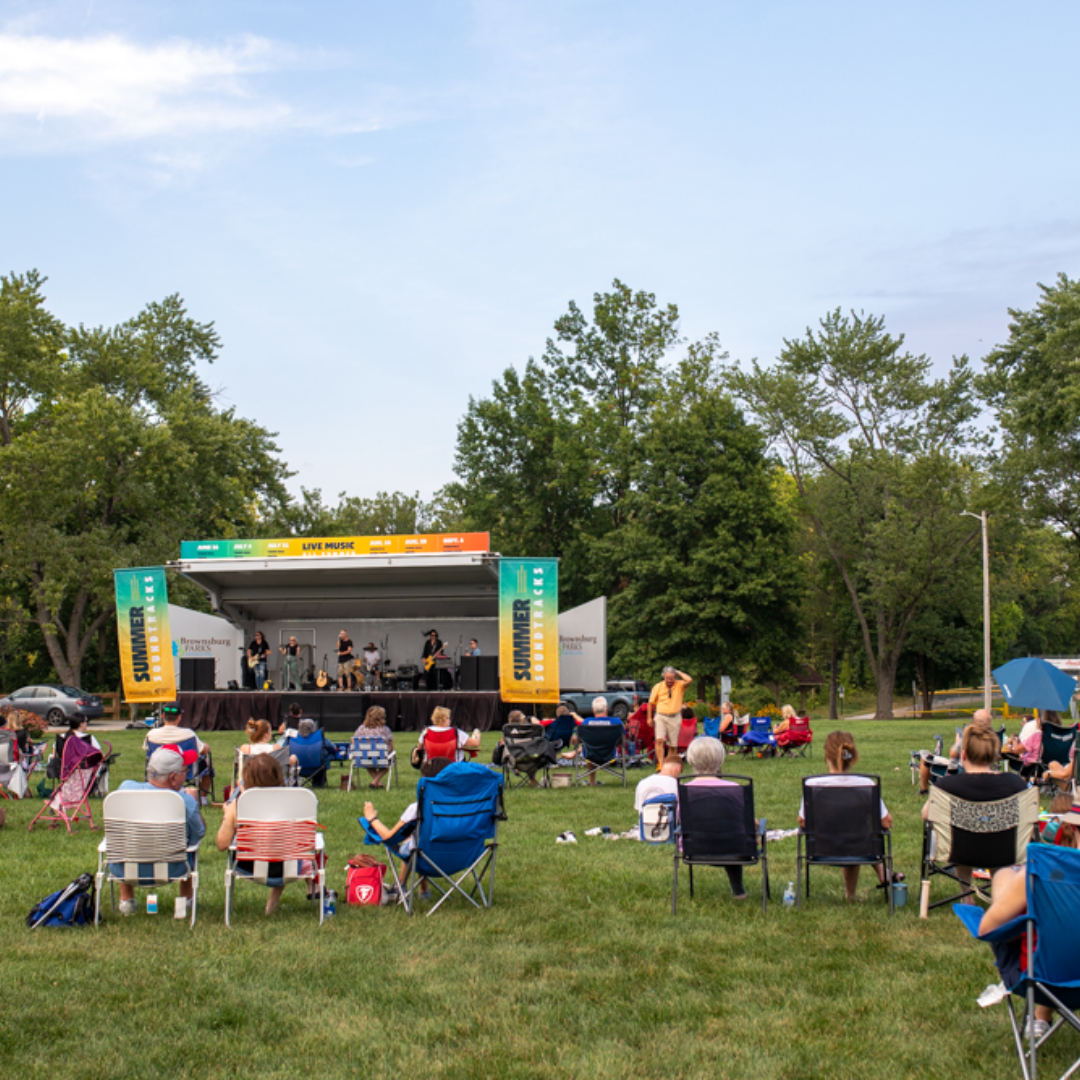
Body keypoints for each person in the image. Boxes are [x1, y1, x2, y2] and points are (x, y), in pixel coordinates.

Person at [978, 802, 1080, 1041]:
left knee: (1005, 877)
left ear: (1073, 829)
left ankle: (1040, 1016)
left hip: (1042, 981)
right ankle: (1041, 1017)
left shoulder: (1037, 874)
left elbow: (987, 928)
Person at [921, 721, 1027, 900]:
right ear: (994, 757)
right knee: (996, 835)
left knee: (962, 835)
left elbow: (926, 814)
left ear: (963, 755)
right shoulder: (1015, 783)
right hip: (1004, 850)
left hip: (961, 850)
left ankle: (966, 894)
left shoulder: (947, 785)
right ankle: (999, 893)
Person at [798, 730, 902, 902]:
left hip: (821, 849)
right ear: (852, 755)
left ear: (826, 756)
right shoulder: (866, 784)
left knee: (852, 830)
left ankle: (854, 893)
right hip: (859, 848)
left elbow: (803, 821)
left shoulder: (812, 785)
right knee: (860, 830)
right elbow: (886, 821)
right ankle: (855, 892)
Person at [216, 753, 317, 915]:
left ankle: (272, 904)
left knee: (272, 843)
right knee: (281, 842)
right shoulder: (297, 802)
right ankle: (273, 904)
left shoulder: (239, 804)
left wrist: (229, 815)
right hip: (289, 866)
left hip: (248, 866)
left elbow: (222, 844)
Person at [114, 746, 206, 916]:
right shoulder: (185, 800)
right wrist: (194, 802)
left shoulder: (125, 789)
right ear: (173, 777)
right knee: (190, 849)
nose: (186, 775)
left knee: (126, 838)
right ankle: (185, 902)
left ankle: (126, 902)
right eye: (185, 771)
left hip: (124, 869)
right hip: (174, 868)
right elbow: (198, 834)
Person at [362, 756, 453, 901]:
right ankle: (422, 889)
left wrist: (372, 818)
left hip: (428, 857)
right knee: (417, 838)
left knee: (412, 842)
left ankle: (399, 887)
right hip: (463, 858)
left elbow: (390, 837)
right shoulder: (470, 808)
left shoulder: (417, 809)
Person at [683, 737, 751, 900]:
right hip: (735, 850)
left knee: (723, 832)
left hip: (695, 849)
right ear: (721, 759)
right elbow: (747, 821)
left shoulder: (684, 790)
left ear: (690, 759)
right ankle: (739, 892)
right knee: (732, 833)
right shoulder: (735, 788)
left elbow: (681, 821)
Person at [919, 708, 993, 794]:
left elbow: (953, 754)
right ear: (989, 722)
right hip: (986, 770)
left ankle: (924, 790)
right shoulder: (994, 737)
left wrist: (957, 742)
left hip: (959, 769)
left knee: (925, 757)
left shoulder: (970, 736)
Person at [648, 667, 693, 773]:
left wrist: (678, 672)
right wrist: (649, 718)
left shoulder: (680, 685)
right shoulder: (658, 687)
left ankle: (668, 765)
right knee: (659, 740)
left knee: (673, 745)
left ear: (675, 678)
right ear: (664, 676)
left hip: (675, 717)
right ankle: (661, 765)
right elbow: (650, 703)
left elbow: (689, 680)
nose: (669, 680)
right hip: (661, 716)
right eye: (667, 678)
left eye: (672, 678)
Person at [353, 705, 394, 788]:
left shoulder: (361, 729)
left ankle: (377, 783)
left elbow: (353, 741)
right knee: (386, 767)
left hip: (365, 758)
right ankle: (375, 782)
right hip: (381, 757)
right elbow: (391, 744)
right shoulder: (385, 729)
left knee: (368, 766)